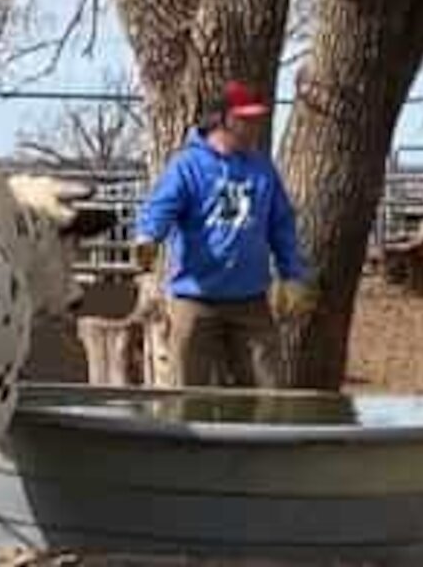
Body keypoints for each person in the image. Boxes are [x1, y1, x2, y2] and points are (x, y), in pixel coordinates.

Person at [132, 79, 317, 388]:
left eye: (257, 118)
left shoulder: (262, 169)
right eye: (248, 119)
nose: (256, 126)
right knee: (188, 395)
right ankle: (186, 438)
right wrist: (149, 237)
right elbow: (162, 205)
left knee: (268, 390)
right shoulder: (188, 166)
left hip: (250, 301)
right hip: (195, 301)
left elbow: (281, 224)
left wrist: (292, 274)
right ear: (225, 120)